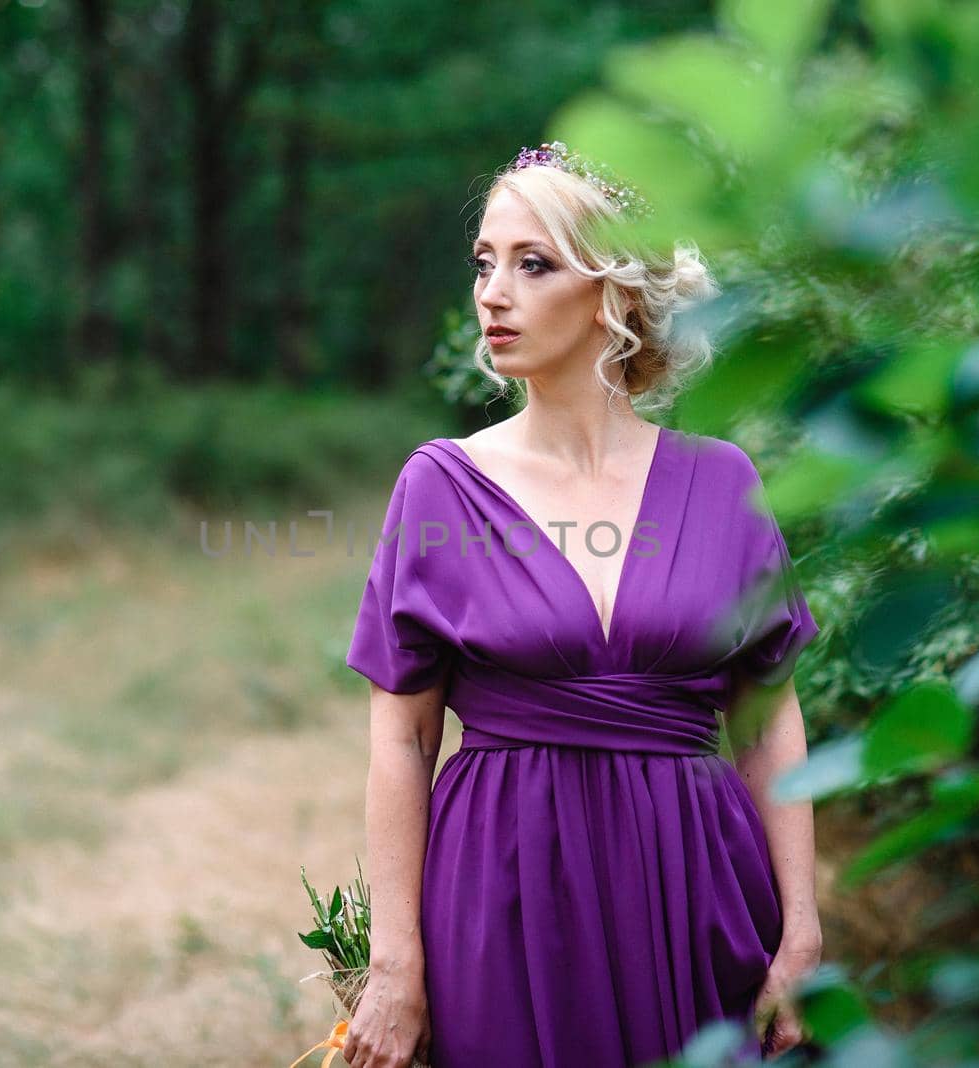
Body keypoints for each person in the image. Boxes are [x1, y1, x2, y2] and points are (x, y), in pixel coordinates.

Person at [341, 142, 823, 1068]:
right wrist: (395, 964)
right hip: (504, 893)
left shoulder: (723, 485)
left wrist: (799, 931)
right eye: (484, 262)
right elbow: (401, 737)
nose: (492, 293)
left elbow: (767, 722)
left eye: (533, 264)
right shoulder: (442, 486)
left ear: (613, 294)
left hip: (696, 886)